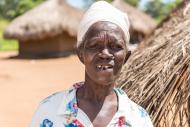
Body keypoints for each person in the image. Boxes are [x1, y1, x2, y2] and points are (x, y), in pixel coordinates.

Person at [29, 1, 154, 127]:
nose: (105, 53)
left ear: (126, 57)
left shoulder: (138, 119)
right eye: (95, 45)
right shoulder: (50, 110)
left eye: (116, 46)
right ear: (81, 54)